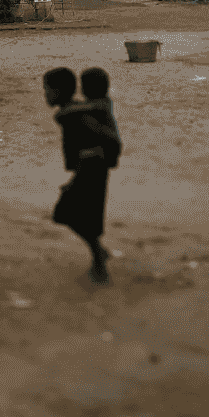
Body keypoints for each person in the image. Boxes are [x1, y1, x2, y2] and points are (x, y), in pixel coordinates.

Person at [48, 66, 122, 285]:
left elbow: (106, 139)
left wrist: (78, 174)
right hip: (91, 169)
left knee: (70, 213)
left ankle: (99, 259)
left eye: (48, 90)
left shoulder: (79, 116)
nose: (46, 95)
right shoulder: (80, 111)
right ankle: (98, 252)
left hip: (91, 169)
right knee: (82, 214)